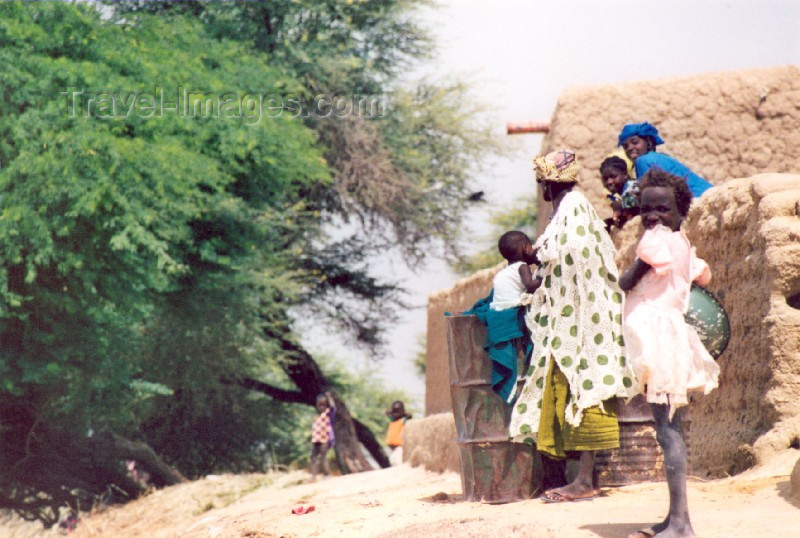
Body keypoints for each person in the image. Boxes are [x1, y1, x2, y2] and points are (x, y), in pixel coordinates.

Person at [509, 149, 638, 502]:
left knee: (588, 390)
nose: (542, 191)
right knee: (560, 391)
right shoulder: (562, 212)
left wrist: (539, 257)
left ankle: (585, 481)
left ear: (549, 182)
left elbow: (578, 256)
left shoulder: (575, 208)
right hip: (564, 322)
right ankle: (567, 478)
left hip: (584, 319)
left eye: (542, 184)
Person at [619, 168, 720, 538]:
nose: (653, 217)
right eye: (647, 210)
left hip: (659, 340)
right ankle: (675, 519)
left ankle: (681, 524)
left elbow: (626, 282)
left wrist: (639, 260)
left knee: (668, 431)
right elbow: (702, 276)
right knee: (668, 429)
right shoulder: (683, 244)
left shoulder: (654, 245)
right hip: (668, 338)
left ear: (681, 211)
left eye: (662, 209)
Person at [618, 122, 713, 198]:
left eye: (635, 142)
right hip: (710, 194)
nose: (630, 148)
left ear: (648, 142)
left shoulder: (643, 161)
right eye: (625, 146)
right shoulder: (658, 157)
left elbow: (650, 197)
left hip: (700, 201)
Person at [489, 231, 541, 311]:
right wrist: (543, 279)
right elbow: (530, 285)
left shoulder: (505, 271)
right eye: (531, 247)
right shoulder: (523, 266)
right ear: (525, 248)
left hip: (497, 309)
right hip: (514, 309)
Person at [600, 155, 639, 230]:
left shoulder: (633, 187)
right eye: (605, 179)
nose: (609, 182)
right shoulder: (621, 194)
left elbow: (633, 201)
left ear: (625, 174)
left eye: (613, 176)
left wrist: (618, 205)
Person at [310, 391, 336, 481]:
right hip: (317, 439)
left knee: (323, 456)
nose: (322, 407)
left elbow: (333, 407)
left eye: (324, 405)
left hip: (326, 438)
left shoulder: (329, 413)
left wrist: (329, 397)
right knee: (313, 456)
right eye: (320, 405)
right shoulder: (317, 417)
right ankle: (313, 477)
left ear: (327, 405)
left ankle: (327, 475)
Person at [385, 400, 412, 465]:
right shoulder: (393, 420)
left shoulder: (403, 420)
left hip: (399, 449)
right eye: (394, 412)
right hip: (392, 450)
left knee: (398, 464)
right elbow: (387, 413)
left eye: (397, 412)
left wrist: (404, 414)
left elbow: (409, 417)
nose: (395, 414)